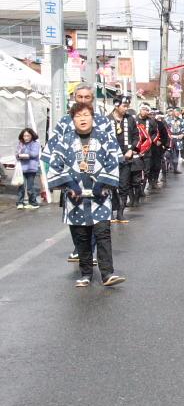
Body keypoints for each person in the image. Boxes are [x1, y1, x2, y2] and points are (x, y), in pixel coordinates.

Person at [45, 102, 125, 287]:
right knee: (81, 237)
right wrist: (70, 184)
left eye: (86, 115)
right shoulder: (64, 140)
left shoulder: (105, 138)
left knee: (103, 234)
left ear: (92, 118)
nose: (82, 119)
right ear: (72, 119)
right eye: (78, 116)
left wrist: (103, 183)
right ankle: (86, 273)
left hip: (100, 197)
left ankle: (107, 274)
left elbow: (114, 161)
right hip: (75, 198)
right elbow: (55, 165)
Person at [42, 82, 115, 262]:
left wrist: (106, 177)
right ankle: (81, 249)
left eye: (87, 97)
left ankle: (90, 253)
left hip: (97, 177)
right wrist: (55, 174)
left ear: (93, 99)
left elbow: (113, 151)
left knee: (98, 218)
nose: (83, 100)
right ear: (74, 98)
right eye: (80, 97)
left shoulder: (104, 121)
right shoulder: (64, 121)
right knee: (75, 217)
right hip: (71, 177)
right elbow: (52, 149)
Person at [108, 96, 139, 223]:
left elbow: (136, 136)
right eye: (124, 106)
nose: (126, 109)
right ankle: (109, 212)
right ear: (116, 105)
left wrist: (131, 149)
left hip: (126, 158)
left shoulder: (130, 119)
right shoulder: (106, 119)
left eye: (127, 106)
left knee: (124, 185)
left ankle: (120, 212)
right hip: (109, 159)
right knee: (109, 185)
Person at [135, 105, 159, 196]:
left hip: (147, 149)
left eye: (146, 110)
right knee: (136, 170)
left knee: (146, 170)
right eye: (143, 109)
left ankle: (142, 189)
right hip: (136, 149)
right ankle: (135, 191)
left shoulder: (151, 121)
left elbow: (156, 133)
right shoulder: (134, 120)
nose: (144, 111)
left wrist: (151, 140)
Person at [15, 128, 41, 209]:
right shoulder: (20, 143)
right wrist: (18, 155)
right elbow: (16, 154)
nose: (26, 137)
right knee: (21, 186)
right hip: (22, 168)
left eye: (28, 135)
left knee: (30, 187)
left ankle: (33, 203)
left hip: (31, 168)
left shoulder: (35, 144)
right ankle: (20, 203)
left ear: (31, 136)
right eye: (24, 136)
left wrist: (25, 153)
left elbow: (34, 154)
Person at [166, 107, 184, 174]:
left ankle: (175, 168)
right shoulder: (168, 120)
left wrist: (182, 134)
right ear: (173, 112)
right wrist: (168, 135)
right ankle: (167, 168)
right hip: (170, 139)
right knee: (168, 153)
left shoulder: (181, 121)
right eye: (176, 111)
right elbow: (165, 128)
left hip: (178, 139)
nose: (177, 113)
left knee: (176, 153)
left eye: (178, 111)